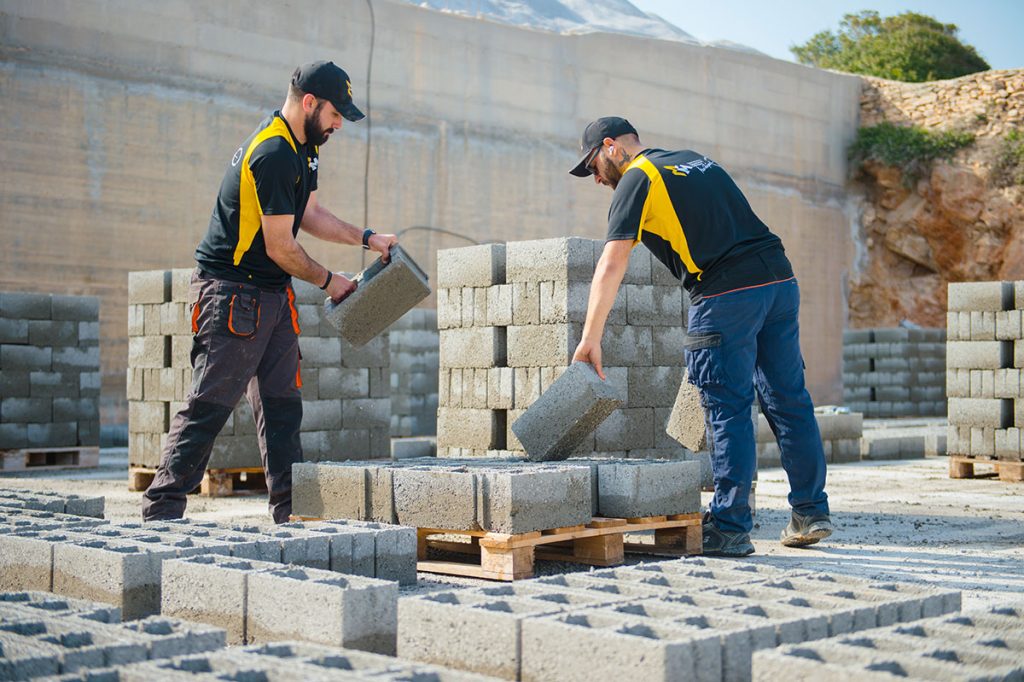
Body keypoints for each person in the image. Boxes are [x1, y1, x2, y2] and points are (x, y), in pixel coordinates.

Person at [142, 61, 397, 523]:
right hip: (233, 294)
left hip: (272, 297)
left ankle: (290, 513)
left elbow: (310, 214)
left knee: (282, 408)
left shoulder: (305, 148)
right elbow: (281, 246)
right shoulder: (274, 152)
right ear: (309, 102)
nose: (340, 123)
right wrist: (330, 281)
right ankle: (160, 512)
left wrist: (367, 237)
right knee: (209, 404)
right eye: (336, 113)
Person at [568, 116, 832, 557]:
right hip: (778, 283)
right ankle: (810, 510)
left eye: (593, 164)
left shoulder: (637, 178)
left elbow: (611, 264)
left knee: (726, 407)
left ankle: (729, 526)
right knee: (789, 400)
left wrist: (590, 338)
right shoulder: (693, 159)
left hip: (726, 292)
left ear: (612, 147)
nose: (595, 178)